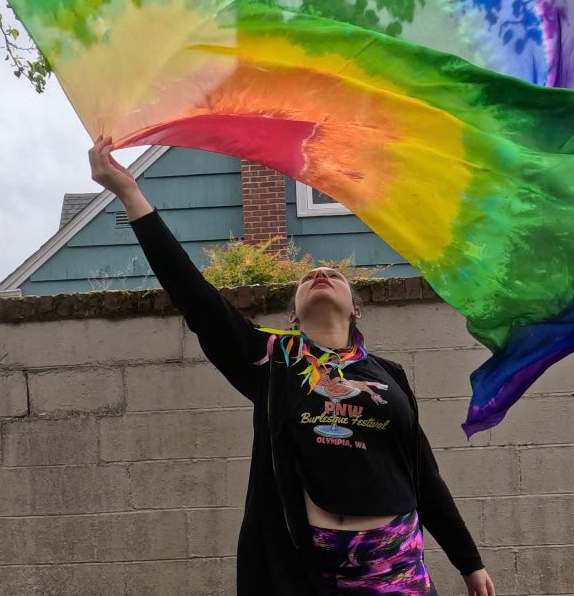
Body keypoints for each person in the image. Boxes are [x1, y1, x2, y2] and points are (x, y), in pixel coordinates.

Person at [89, 136, 496, 596]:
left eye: (334, 276)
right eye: (307, 278)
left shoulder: (389, 375)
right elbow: (196, 300)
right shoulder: (270, 360)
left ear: (355, 309)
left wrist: (469, 561)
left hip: (392, 563)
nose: (320, 276)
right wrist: (130, 195)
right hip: (303, 567)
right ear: (292, 314)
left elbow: (425, 473)